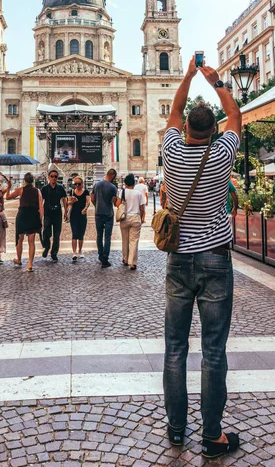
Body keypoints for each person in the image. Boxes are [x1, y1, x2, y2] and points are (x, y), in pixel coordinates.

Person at [162, 56, 241, 459]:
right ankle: (213, 435)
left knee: (175, 347)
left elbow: (173, 111)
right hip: (214, 260)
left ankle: (177, 430)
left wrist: (189, 75)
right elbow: (235, 114)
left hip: (178, 261)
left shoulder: (171, 153)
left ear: (186, 129)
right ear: (214, 131)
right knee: (213, 350)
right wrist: (216, 80)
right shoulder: (224, 152)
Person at [7, 172, 43, 272]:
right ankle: (30, 264)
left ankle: (18, 259)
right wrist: (40, 219)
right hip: (33, 215)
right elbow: (41, 206)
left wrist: (9, 187)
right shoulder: (38, 191)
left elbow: (8, 197)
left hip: (22, 215)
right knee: (31, 242)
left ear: (25, 181)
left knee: (19, 239)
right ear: (33, 181)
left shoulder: (20, 190)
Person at [91, 168, 120, 267]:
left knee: (99, 235)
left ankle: (100, 255)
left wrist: (96, 206)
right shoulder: (113, 187)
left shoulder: (97, 185)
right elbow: (115, 203)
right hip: (108, 214)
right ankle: (105, 259)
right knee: (107, 237)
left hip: (98, 213)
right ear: (112, 176)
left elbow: (92, 198)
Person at [119, 173, 145, 270]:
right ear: (134, 184)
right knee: (134, 241)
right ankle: (132, 263)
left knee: (125, 239)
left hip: (125, 217)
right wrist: (141, 218)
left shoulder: (122, 192)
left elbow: (118, 204)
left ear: (125, 183)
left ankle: (125, 259)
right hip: (135, 217)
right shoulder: (138, 194)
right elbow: (142, 207)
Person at [41, 168, 68, 263]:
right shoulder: (44, 189)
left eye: (55, 177)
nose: (53, 178)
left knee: (57, 236)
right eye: (52, 176)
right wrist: (40, 214)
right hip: (47, 214)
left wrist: (66, 211)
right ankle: (47, 247)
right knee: (46, 233)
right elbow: (41, 202)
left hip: (57, 214)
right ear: (48, 177)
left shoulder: (60, 188)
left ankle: (54, 254)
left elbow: (64, 199)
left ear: (57, 178)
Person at [68, 176, 91, 262]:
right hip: (74, 214)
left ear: (82, 184)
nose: (77, 185)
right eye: (75, 184)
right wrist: (72, 201)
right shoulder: (72, 192)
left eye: (79, 184)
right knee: (74, 233)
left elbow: (88, 201)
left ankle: (80, 251)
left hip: (82, 214)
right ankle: (74, 252)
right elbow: (68, 202)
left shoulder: (85, 192)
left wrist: (85, 209)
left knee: (81, 234)